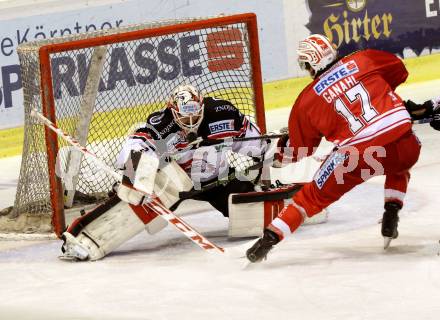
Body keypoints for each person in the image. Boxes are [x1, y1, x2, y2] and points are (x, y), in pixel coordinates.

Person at [246, 34, 439, 263]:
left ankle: (268, 239)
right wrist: (379, 95)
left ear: (310, 64)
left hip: (358, 157)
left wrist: (278, 155)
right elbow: (400, 71)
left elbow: (299, 150)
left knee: (310, 197)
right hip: (406, 144)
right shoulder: (365, 59)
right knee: (397, 159)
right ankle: (391, 212)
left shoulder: (306, 101)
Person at [60, 84, 267, 261]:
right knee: (135, 204)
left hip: (218, 178)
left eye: (195, 115)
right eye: (185, 119)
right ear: (173, 112)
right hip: (174, 183)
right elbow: (131, 150)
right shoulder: (162, 126)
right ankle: (82, 239)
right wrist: (134, 177)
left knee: (256, 218)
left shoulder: (222, 113)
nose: (191, 122)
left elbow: (253, 142)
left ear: (202, 107)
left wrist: (268, 150)